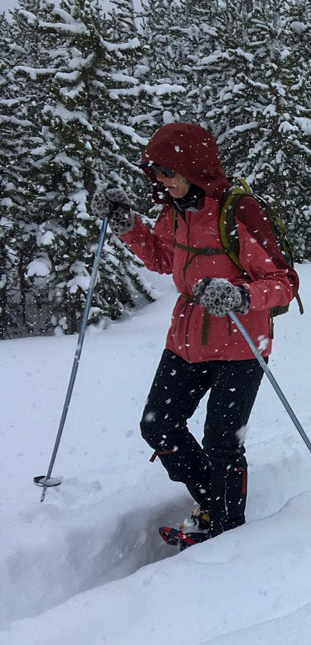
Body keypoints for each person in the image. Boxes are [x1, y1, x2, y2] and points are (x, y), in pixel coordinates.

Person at [88, 123, 297, 547]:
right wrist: (128, 224)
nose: (159, 180)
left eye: (166, 171)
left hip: (241, 341)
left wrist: (240, 295)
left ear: (192, 168)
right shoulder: (176, 209)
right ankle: (213, 504)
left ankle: (223, 528)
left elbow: (284, 280)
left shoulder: (239, 211)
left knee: (221, 442)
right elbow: (164, 259)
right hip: (187, 340)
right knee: (158, 424)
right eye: (154, 172)